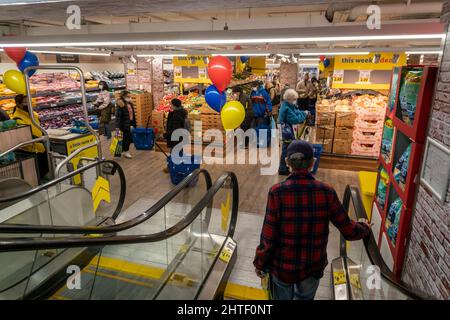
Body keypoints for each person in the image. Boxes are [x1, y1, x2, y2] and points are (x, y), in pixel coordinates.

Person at [254, 140, 371, 300]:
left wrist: (260, 262)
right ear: (312, 163)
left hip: (283, 267)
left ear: (287, 163)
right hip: (312, 266)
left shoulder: (277, 192)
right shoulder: (326, 192)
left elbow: (268, 236)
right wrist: (364, 226)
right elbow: (348, 230)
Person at [11, 94, 49, 180]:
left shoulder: (32, 113)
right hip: (32, 150)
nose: (28, 104)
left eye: (29, 102)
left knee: (45, 170)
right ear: (18, 104)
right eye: (25, 102)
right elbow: (26, 134)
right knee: (38, 174)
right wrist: (41, 140)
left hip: (41, 146)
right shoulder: (17, 118)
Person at [277, 89, 308, 175]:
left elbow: (296, 112)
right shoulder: (287, 108)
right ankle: (282, 169)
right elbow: (295, 119)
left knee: (287, 149)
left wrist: (303, 112)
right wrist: (304, 114)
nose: (295, 101)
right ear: (289, 99)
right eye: (294, 99)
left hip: (287, 130)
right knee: (286, 150)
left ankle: (285, 167)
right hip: (287, 132)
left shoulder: (288, 105)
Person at [115, 90, 136, 159]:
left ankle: (126, 151)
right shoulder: (120, 104)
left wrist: (133, 124)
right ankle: (118, 154)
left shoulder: (129, 103)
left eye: (129, 96)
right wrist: (117, 127)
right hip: (122, 124)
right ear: (123, 96)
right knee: (119, 139)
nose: (129, 97)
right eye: (128, 96)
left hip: (129, 123)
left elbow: (132, 114)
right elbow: (118, 116)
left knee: (127, 139)